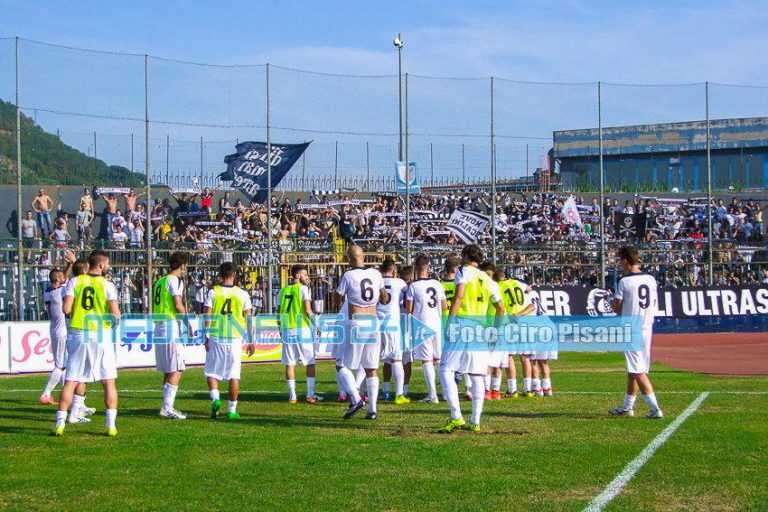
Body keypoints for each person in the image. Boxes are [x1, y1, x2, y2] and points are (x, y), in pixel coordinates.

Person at [54, 250, 121, 437]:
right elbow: (116, 314)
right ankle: (110, 426)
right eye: (107, 264)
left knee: (71, 380)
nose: (108, 267)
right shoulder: (108, 284)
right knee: (108, 381)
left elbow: (66, 309)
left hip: (78, 331)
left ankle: (60, 424)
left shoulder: (75, 282)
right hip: (100, 333)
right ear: (100, 265)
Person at [438, 244, 503, 433]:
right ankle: (475, 421)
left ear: (466, 256)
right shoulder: (488, 279)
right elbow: (500, 308)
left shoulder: (463, 271)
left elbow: (458, 297)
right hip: (481, 328)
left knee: (445, 369)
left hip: (463, 323)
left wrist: (449, 323)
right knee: (477, 375)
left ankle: (456, 416)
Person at [335, 245, 389, 420]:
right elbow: (384, 297)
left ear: (349, 259)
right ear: (363, 256)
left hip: (357, 321)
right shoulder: (375, 274)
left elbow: (338, 297)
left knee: (341, 364)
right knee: (371, 368)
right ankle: (372, 410)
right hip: (374, 321)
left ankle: (356, 398)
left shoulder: (348, 275)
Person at [610, 246, 664, 419]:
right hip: (647, 326)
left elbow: (616, 307)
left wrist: (615, 305)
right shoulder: (650, 279)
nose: (619, 263)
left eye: (620, 259)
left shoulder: (624, 281)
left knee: (637, 370)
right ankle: (627, 407)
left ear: (626, 260)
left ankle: (655, 409)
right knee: (635, 369)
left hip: (631, 327)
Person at [203, 262, 254, 420]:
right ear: (234, 275)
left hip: (217, 335)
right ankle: (232, 410)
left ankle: (215, 398)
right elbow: (249, 318)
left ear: (220, 275)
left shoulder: (213, 292)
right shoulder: (242, 293)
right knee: (234, 375)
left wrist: (206, 335)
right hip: (234, 338)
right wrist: (251, 340)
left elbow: (208, 315)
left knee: (211, 372)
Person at [406, 254, 447, 404]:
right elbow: (444, 305)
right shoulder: (437, 284)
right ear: (428, 267)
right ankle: (446, 392)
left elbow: (408, 309)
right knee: (439, 360)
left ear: (416, 268)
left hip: (422, 325)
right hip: (437, 323)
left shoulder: (413, 286)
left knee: (426, 361)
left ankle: (433, 395)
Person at [152, 252, 189, 419]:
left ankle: (165, 407)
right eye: (185, 266)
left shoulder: (159, 281)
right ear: (181, 266)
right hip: (169, 325)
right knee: (177, 367)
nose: (185, 269)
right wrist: (188, 322)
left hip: (158, 325)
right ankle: (168, 408)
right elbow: (177, 303)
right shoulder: (175, 280)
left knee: (168, 369)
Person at [278, 265, 321, 404]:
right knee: (310, 362)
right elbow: (308, 311)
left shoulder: (282, 291)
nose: (307, 277)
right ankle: (310, 394)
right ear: (297, 275)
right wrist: (317, 325)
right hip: (301, 328)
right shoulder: (303, 289)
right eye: (304, 274)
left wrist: (280, 329)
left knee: (289, 363)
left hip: (287, 329)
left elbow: (279, 313)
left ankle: (292, 396)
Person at [39, 251, 76, 405]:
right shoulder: (60, 291)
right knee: (60, 365)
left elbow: (62, 278)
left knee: (64, 363)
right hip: (62, 332)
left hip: (54, 330)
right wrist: (72, 264)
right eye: (61, 277)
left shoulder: (48, 291)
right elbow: (66, 281)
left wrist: (68, 265)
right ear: (58, 280)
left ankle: (65, 393)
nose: (64, 277)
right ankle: (46, 394)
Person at [494, 269, 535, 398]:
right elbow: (531, 304)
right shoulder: (517, 283)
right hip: (524, 322)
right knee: (525, 357)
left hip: (510, 322)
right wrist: (520, 314)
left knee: (509, 356)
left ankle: (512, 390)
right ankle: (528, 390)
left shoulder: (497, 287)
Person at [377, 257, 409, 404]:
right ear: (394, 269)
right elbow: (406, 301)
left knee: (371, 361)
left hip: (376, 324)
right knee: (396, 359)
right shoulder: (400, 283)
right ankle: (399, 394)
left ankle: (379, 391)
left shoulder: (375, 281)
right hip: (392, 325)